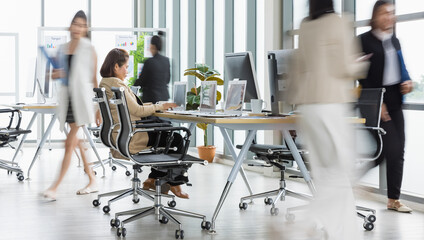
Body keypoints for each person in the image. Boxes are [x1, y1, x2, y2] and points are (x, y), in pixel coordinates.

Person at [287, 0, 369, 239]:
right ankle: (301, 226)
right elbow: (344, 67)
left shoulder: (305, 25)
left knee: (328, 176)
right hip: (330, 105)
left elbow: (297, 66)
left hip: (308, 108)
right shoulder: (338, 22)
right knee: (342, 171)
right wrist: (361, 65)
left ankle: (342, 233)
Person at [99, 48, 190, 199]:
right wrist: (160, 107)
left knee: (166, 134)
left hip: (119, 136)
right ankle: (174, 182)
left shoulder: (106, 83)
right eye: (126, 67)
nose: (127, 71)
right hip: (133, 137)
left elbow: (132, 107)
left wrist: (156, 104)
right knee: (176, 139)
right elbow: (138, 110)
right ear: (116, 66)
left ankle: (152, 179)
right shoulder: (117, 84)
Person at [359, 0, 413, 213]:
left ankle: (393, 200)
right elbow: (361, 77)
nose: (389, 17)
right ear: (375, 16)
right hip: (374, 99)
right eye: (384, 13)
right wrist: (376, 103)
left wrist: (407, 82)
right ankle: (349, 181)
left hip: (395, 100)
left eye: (392, 13)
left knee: (397, 150)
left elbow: (401, 68)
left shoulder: (395, 41)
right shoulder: (363, 40)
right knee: (386, 150)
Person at [43, 10, 101, 200]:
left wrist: (99, 107)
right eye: (75, 24)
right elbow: (54, 75)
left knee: (69, 143)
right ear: (70, 26)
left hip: (82, 102)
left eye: (82, 25)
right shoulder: (62, 48)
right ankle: (92, 180)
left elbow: (93, 79)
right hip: (67, 101)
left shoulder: (89, 49)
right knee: (77, 142)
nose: (78, 28)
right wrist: (56, 74)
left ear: (86, 29)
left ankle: (54, 187)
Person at [133, 33, 170, 103]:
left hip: (151, 98)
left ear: (152, 46)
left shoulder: (149, 62)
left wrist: (133, 86)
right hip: (164, 98)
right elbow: (167, 80)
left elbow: (142, 81)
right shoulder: (166, 61)